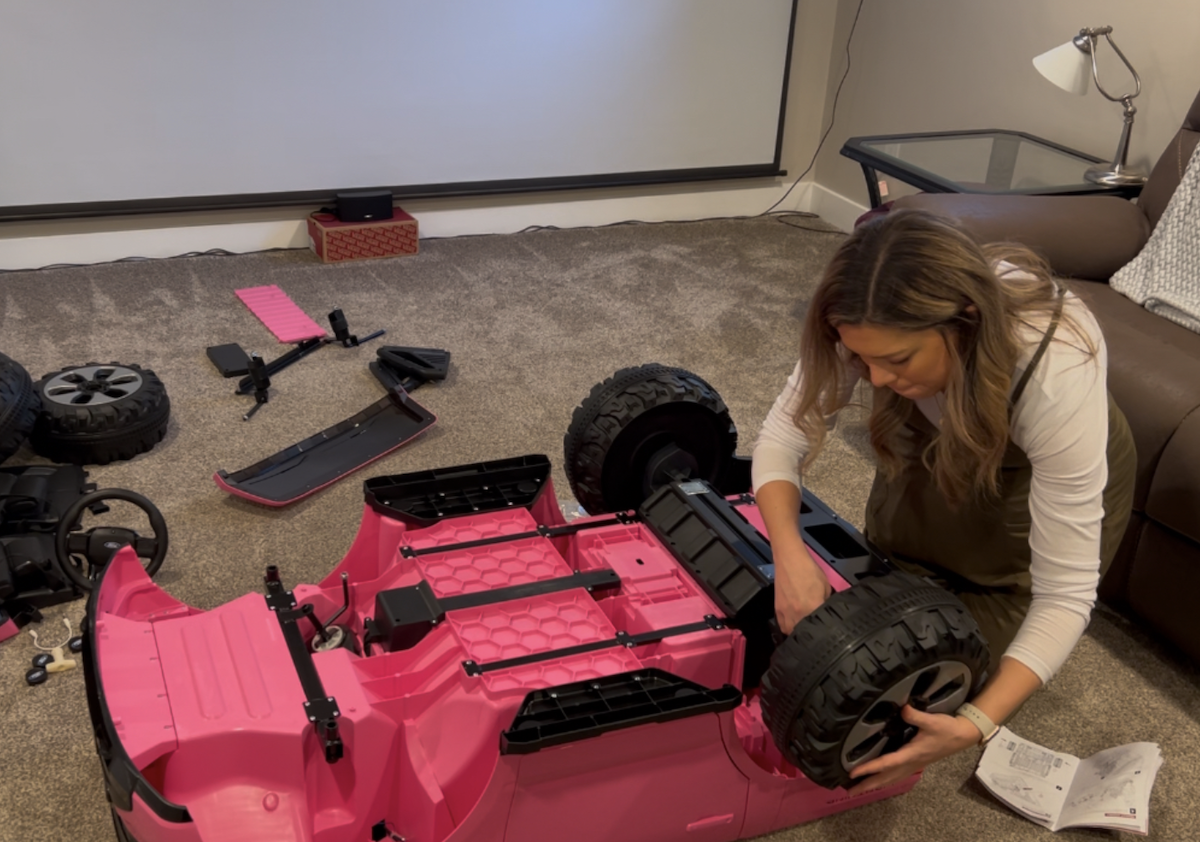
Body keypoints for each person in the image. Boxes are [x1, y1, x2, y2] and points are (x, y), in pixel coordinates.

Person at [751, 208, 1136, 795]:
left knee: (944, 660)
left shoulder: (1055, 369)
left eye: (896, 360)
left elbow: (1065, 596)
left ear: (966, 321)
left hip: (1022, 466)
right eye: (862, 359)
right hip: (945, 421)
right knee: (884, 587)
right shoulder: (868, 322)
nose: (874, 381)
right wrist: (789, 556)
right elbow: (783, 437)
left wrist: (975, 725)